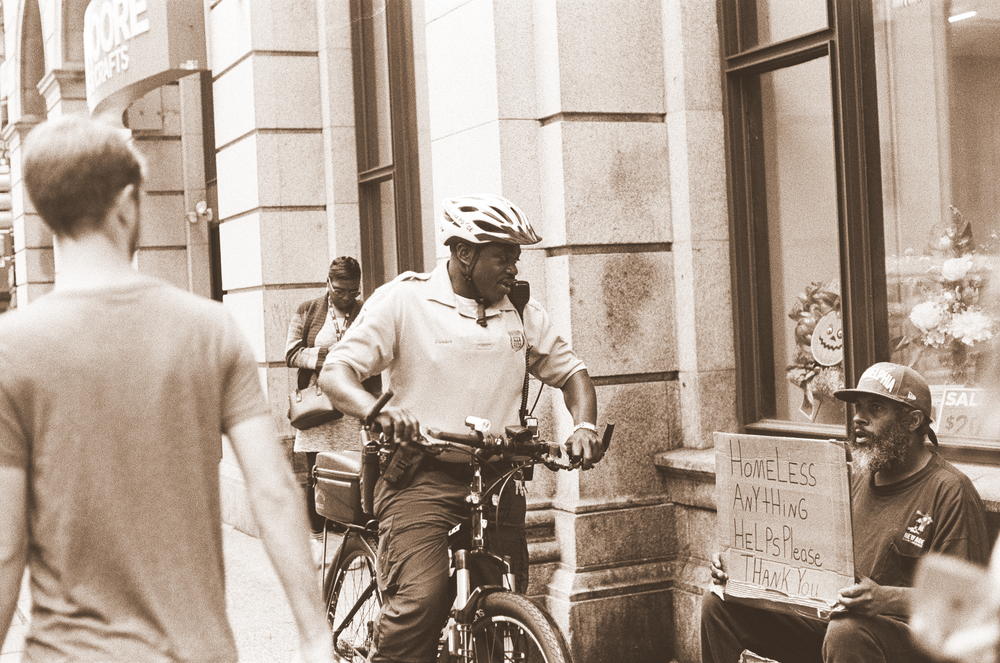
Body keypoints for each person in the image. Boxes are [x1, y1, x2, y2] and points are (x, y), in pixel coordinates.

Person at [0, 115, 335, 663]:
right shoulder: (210, 328)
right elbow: (273, 491)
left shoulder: (11, 349)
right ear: (128, 203)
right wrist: (314, 637)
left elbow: (6, 545)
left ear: (44, 214)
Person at [320, 194, 605, 663]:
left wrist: (585, 426)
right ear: (464, 253)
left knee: (503, 598)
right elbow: (336, 373)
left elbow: (573, 374)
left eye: (516, 256)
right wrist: (377, 412)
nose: (513, 267)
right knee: (422, 601)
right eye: (502, 255)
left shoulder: (519, 310)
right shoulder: (406, 299)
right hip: (420, 478)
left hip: (495, 477)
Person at [701, 362, 990, 663]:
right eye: (857, 408)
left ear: (913, 420)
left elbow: (968, 603)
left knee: (848, 632)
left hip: (912, 641)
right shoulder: (852, 477)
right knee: (718, 605)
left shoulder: (950, 489)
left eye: (875, 408)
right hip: (836, 626)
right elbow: (798, 550)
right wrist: (737, 561)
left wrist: (883, 599)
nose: (858, 419)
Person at [286, 255, 377, 565]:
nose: (348, 297)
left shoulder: (367, 311)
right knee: (316, 475)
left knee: (356, 474)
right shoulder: (307, 310)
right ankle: (318, 543)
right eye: (341, 290)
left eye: (353, 291)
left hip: (353, 406)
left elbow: (376, 353)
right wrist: (334, 358)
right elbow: (292, 352)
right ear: (328, 284)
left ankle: (351, 546)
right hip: (319, 408)